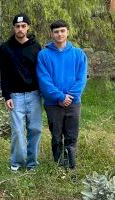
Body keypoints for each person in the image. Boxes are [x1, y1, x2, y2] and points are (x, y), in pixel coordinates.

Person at [37, 19, 87, 169]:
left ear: (68, 32)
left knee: (71, 135)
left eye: (62, 31)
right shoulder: (44, 55)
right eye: (56, 31)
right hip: (53, 104)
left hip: (73, 102)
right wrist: (60, 97)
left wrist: (69, 97)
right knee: (57, 135)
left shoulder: (79, 54)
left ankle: (71, 166)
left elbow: (81, 78)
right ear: (52, 34)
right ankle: (59, 165)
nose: (60, 34)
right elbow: (44, 80)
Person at [0, 13, 42, 171]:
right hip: (15, 96)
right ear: (13, 28)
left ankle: (32, 164)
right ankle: (17, 162)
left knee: (35, 129)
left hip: (34, 94)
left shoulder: (35, 46)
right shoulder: (6, 48)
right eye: (17, 26)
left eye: (23, 26)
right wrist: (7, 95)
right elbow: (3, 73)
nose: (20, 29)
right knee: (17, 131)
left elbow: (40, 71)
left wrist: (44, 91)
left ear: (28, 27)